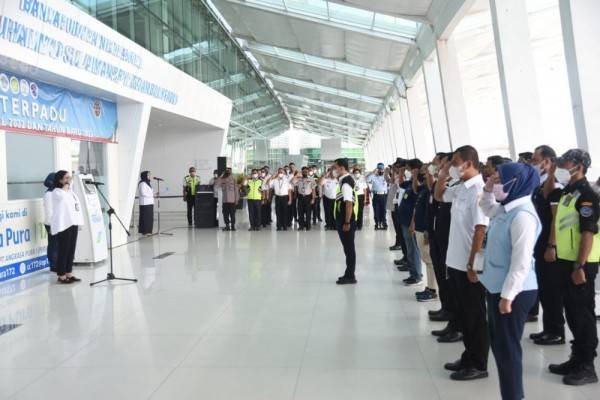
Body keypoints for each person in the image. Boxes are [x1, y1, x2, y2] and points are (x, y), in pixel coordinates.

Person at [479, 162, 541, 400]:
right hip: (498, 287)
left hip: (514, 292)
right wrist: (487, 189)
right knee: (501, 347)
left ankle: (514, 396)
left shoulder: (523, 216)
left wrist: (507, 296)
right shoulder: (506, 208)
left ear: (514, 183)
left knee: (507, 351)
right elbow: (486, 208)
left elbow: (521, 263)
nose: (494, 180)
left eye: (498, 178)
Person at [435, 145, 490, 381]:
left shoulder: (478, 190)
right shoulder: (461, 188)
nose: (452, 166)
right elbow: (439, 196)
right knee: (465, 314)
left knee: (475, 316)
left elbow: (480, 230)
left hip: (469, 265)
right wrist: (442, 174)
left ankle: (478, 364)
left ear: (468, 163)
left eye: (455, 162)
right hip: (456, 261)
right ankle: (468, 357)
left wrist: (472, 264)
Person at [546, 149, 599, 386]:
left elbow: (588, 232)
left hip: (581, 264)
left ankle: (587, 365)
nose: (561, 166)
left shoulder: (587, 195)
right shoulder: (569, 192)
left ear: (579, 166)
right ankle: (576, 358)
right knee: (572, 312)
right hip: (566, 262)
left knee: (583, 314)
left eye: (565, 163)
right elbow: (551, 202)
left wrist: (580, 265)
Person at [529, 145, 566, 345]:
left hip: (548, 245)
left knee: (552, 290)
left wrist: (551, 245)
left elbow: (555, 219)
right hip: (539, 243)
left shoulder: (557, 188)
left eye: (536, 159)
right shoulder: (540, 185)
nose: (533, 163)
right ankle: (548, 328)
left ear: (548, 161)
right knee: (544, 288)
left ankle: (556, 331)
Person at [430, 153, 463, 343]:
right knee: (444, 279)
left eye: (445, 163)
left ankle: (457, 325)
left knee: (454, 288)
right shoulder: (454, 185)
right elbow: (438, 196)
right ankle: (450, 317)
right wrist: (441, 175)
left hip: (455, 243)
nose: (441, 166)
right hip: (441, 236)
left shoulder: (469, 188)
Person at [51, 170, 84, 284]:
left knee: (71, 250)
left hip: (73, 222)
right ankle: (61, 275)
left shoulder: (70, 191)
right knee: (64, 250)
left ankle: (68, 273)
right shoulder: (56, 192)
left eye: (69, 178)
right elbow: (63, 199)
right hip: (64, 224)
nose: (68, 180)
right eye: (66, 178)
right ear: (60, 180)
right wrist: (67, 185)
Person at [413, 162, 438, 301]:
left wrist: (428, 230)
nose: (425, 173)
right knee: (426, 260)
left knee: (429, 261)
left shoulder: (432, 191)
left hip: (425, 230)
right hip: (420, 228)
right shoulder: (425, 189)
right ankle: (430, 287)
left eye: (427, 172)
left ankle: (433, 289)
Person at [332, 158, 358, 285]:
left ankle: (350, 275)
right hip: (344, 219)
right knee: (348, 248)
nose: (334, 170)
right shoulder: (343, 180)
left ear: (342, 168)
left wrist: (347, 222)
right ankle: (349, 273)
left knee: (349, 248)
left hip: (346, 220)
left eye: (335, 167)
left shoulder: (346, 182)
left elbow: (349, 203)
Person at [399, 159, 424, 286]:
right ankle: (413, 272)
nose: (406, 171)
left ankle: (417, 275)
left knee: (413, 249)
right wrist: (402, 173)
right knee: (410, 249)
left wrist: (413, 223)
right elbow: (401, 184)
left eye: (408, 168)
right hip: (405, 220)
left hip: (410, 222)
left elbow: (416, 202)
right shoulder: (410, 182)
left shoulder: (420, 184)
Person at [43, 172, 58, 273]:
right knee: (53, 244)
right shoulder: (49, 194)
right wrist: (53, 225)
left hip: (57, 223)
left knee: (57, 244)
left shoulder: (55, 192)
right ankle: (53, 264)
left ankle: (57, 263)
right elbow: (49, 212)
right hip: (51, 224)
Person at [367, 163, 388, 229]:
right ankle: (377, 223)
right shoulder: (373, 177)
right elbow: (367, 179)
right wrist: (372, 172)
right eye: (379, 169)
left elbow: (389, 180)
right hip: (376, 195)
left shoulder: (385, 177)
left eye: (382, 169)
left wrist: (386, 173)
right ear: (377, 169)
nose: (380, 171)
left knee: (383, 210)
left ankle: (384, 223)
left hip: (384, 195)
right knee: (376, 210)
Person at [138, 171, 154, 236]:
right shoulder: (142, 183)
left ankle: (149, 231)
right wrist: (152, 195)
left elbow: (149, 192)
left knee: (149, 218)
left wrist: (153, 194)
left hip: (149, 202)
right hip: (145, 203)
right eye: (149, 175)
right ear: (145, 176)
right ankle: (145, 231)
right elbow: (143, 193)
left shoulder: (147, 183)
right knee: (145, 218)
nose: (150, 176)